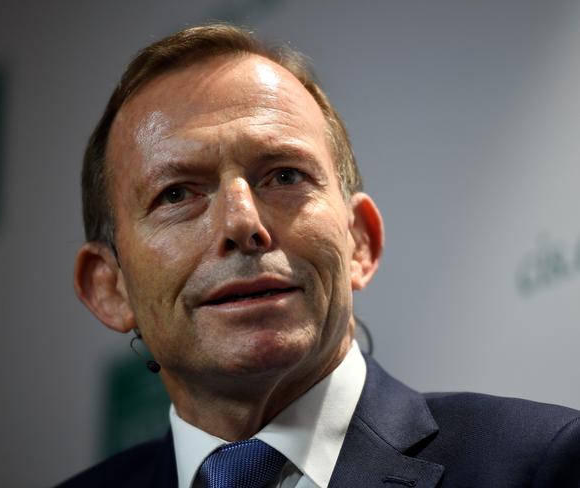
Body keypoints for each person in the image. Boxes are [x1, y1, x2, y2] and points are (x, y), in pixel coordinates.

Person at [58, 23, 580, 487]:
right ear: (109, 287)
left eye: (284, 176)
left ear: (360, 241)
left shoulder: (544, 464)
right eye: (176, 194)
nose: (243, 224)